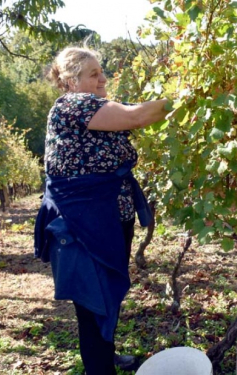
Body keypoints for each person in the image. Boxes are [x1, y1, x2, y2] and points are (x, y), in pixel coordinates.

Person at [34, 46, 172, 375]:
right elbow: (138, 116)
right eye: (93, 74)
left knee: (105, 293)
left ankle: (104, 356)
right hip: (83, 222)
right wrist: (191, 99)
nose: (102, 79)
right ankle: (99, 368)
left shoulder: (90, 107)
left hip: (104, 217)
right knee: (92, 299)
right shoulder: (74, 104)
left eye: (101, 71)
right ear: (70, 81)